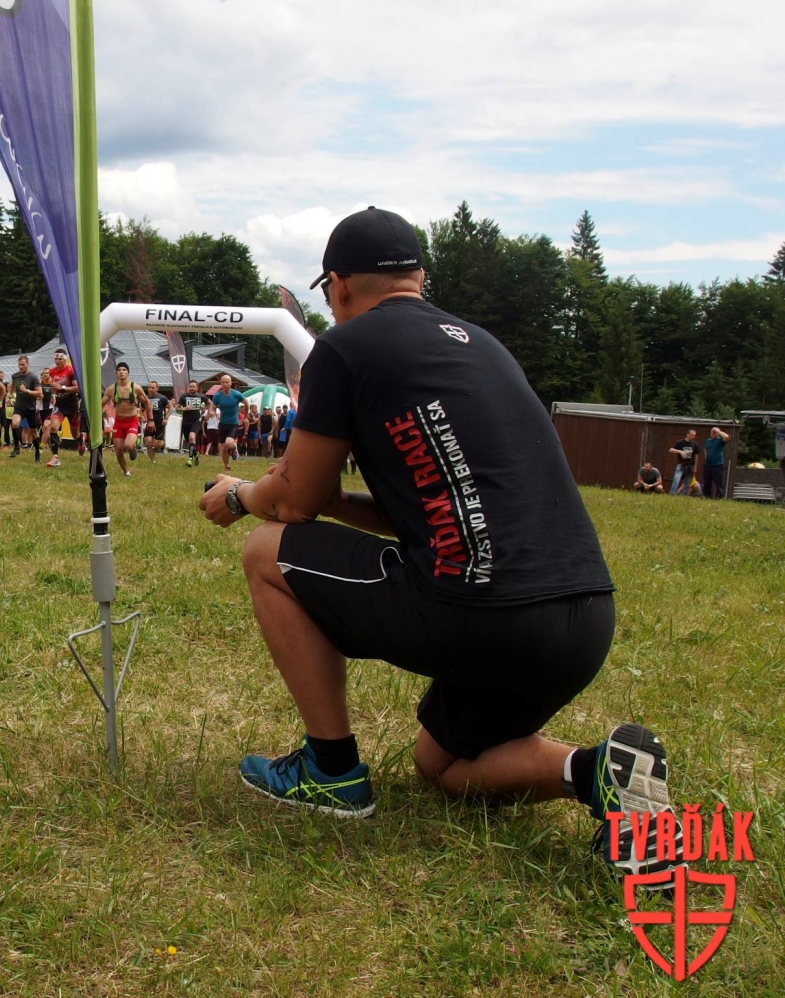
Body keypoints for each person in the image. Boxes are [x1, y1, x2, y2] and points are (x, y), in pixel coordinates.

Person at [198, 205, 673, 879]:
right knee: (442, 768)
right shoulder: (483, 345)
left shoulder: (344, 348)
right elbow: (436, 511)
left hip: (483, 612)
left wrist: (239, 495)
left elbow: (292, 503)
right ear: (418, 279)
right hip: (584, 619)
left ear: (339, 286)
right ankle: (598, 773)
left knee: (265, 552)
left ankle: (330, 771)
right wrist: (337, 503)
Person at [102, 362, 150, 478]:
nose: (121, 372)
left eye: (124, 370)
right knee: (118, 450)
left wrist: (151, 419)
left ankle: (132, 449)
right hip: (118, 422)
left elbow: (147, 402)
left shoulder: (135, 388)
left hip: (131, 421)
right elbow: (101, 404)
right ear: (116, 373)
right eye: (119, 370)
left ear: (128, 372)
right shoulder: (111, 389)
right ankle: (126, 471)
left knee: (128, 445)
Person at [46, 348, 82, 462]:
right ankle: (55, 457)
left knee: (75, 434)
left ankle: (80, 440)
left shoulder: (70, 371)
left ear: (65, 360)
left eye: (60, 359)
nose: (57, 361)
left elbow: (77, 388)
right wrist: (53, 395)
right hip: (59, 405)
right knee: (53, 427)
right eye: (56, 359)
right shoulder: (52, 372)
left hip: (71, 404)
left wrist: (62, 388)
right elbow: (53, 386)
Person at [9, 355, 43, 462]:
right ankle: (16, 447)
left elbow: (39, 393)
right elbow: (12, 387)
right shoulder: (15, 376)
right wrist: (11, 395)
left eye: (23, 365)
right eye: (19, 365)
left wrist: (27, 391)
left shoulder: (33, 377)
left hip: (30, 408)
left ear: (28, 364)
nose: (20, 367)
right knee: (15, 424)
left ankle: (37, 453)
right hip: (19, 406)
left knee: (34, 433)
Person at [176, 380, 206, 468]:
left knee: (192, 437)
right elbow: (177, 409)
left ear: (197, 388)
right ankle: (196, 453)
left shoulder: (202, 397)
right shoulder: (183, 397)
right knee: (189, 441)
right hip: (186, 422)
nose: (192, 388)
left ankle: (189, 460)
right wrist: (184, 408)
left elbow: (209, 404)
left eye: (193, 386)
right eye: (190, 386)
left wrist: (207, 411)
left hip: (196, 421)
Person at [144, 380, 169, 464]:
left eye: (153, 388)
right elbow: (141, 409)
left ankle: (159, 445)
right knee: (148, 442)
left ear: (157, 388)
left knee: (157, 445)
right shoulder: (145, 398)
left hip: (159, 423)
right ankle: (152, 461)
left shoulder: (162, 398)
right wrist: (143, 416)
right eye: (149, 387)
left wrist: (166, 418)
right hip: (149, 423)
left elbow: (170, 407)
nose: (151, 389)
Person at [668, 429, 700, 496]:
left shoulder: (695, 444)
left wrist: (695, 467)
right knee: (676, 480)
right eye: (692, 435)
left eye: (694, 435)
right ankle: (672, 494)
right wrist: (680, 451)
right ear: (687, 434)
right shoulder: (680, 442)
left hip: (690, 465)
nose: (693, 437)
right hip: (681, 465)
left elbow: (696, 456)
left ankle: (684, 495)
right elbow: (671, 450)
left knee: (687, 482)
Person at [703, 426, 729, 499]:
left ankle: (719, 497)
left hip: (717, 465)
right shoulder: (708, 441)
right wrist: (706, 456)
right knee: (707, 482)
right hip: (708, 465)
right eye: (712, 432)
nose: (713, 433)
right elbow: (705, 449)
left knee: (718, 482)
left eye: (714, 432)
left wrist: (718, 431)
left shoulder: (720, 441)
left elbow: (726, 437)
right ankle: (707, 497)